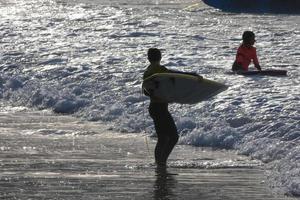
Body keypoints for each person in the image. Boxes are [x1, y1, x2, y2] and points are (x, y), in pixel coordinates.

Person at [143, 48, 199, 167]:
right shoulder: (159, 70)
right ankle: (161, 163)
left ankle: (160, 163)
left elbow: (146, 91)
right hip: (159, 108)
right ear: (160, 57)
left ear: (148, 58)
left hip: (155, 107)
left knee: (163, 138)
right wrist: (192, 75)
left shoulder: (148, 71)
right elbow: (176, 75)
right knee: (172, 137)